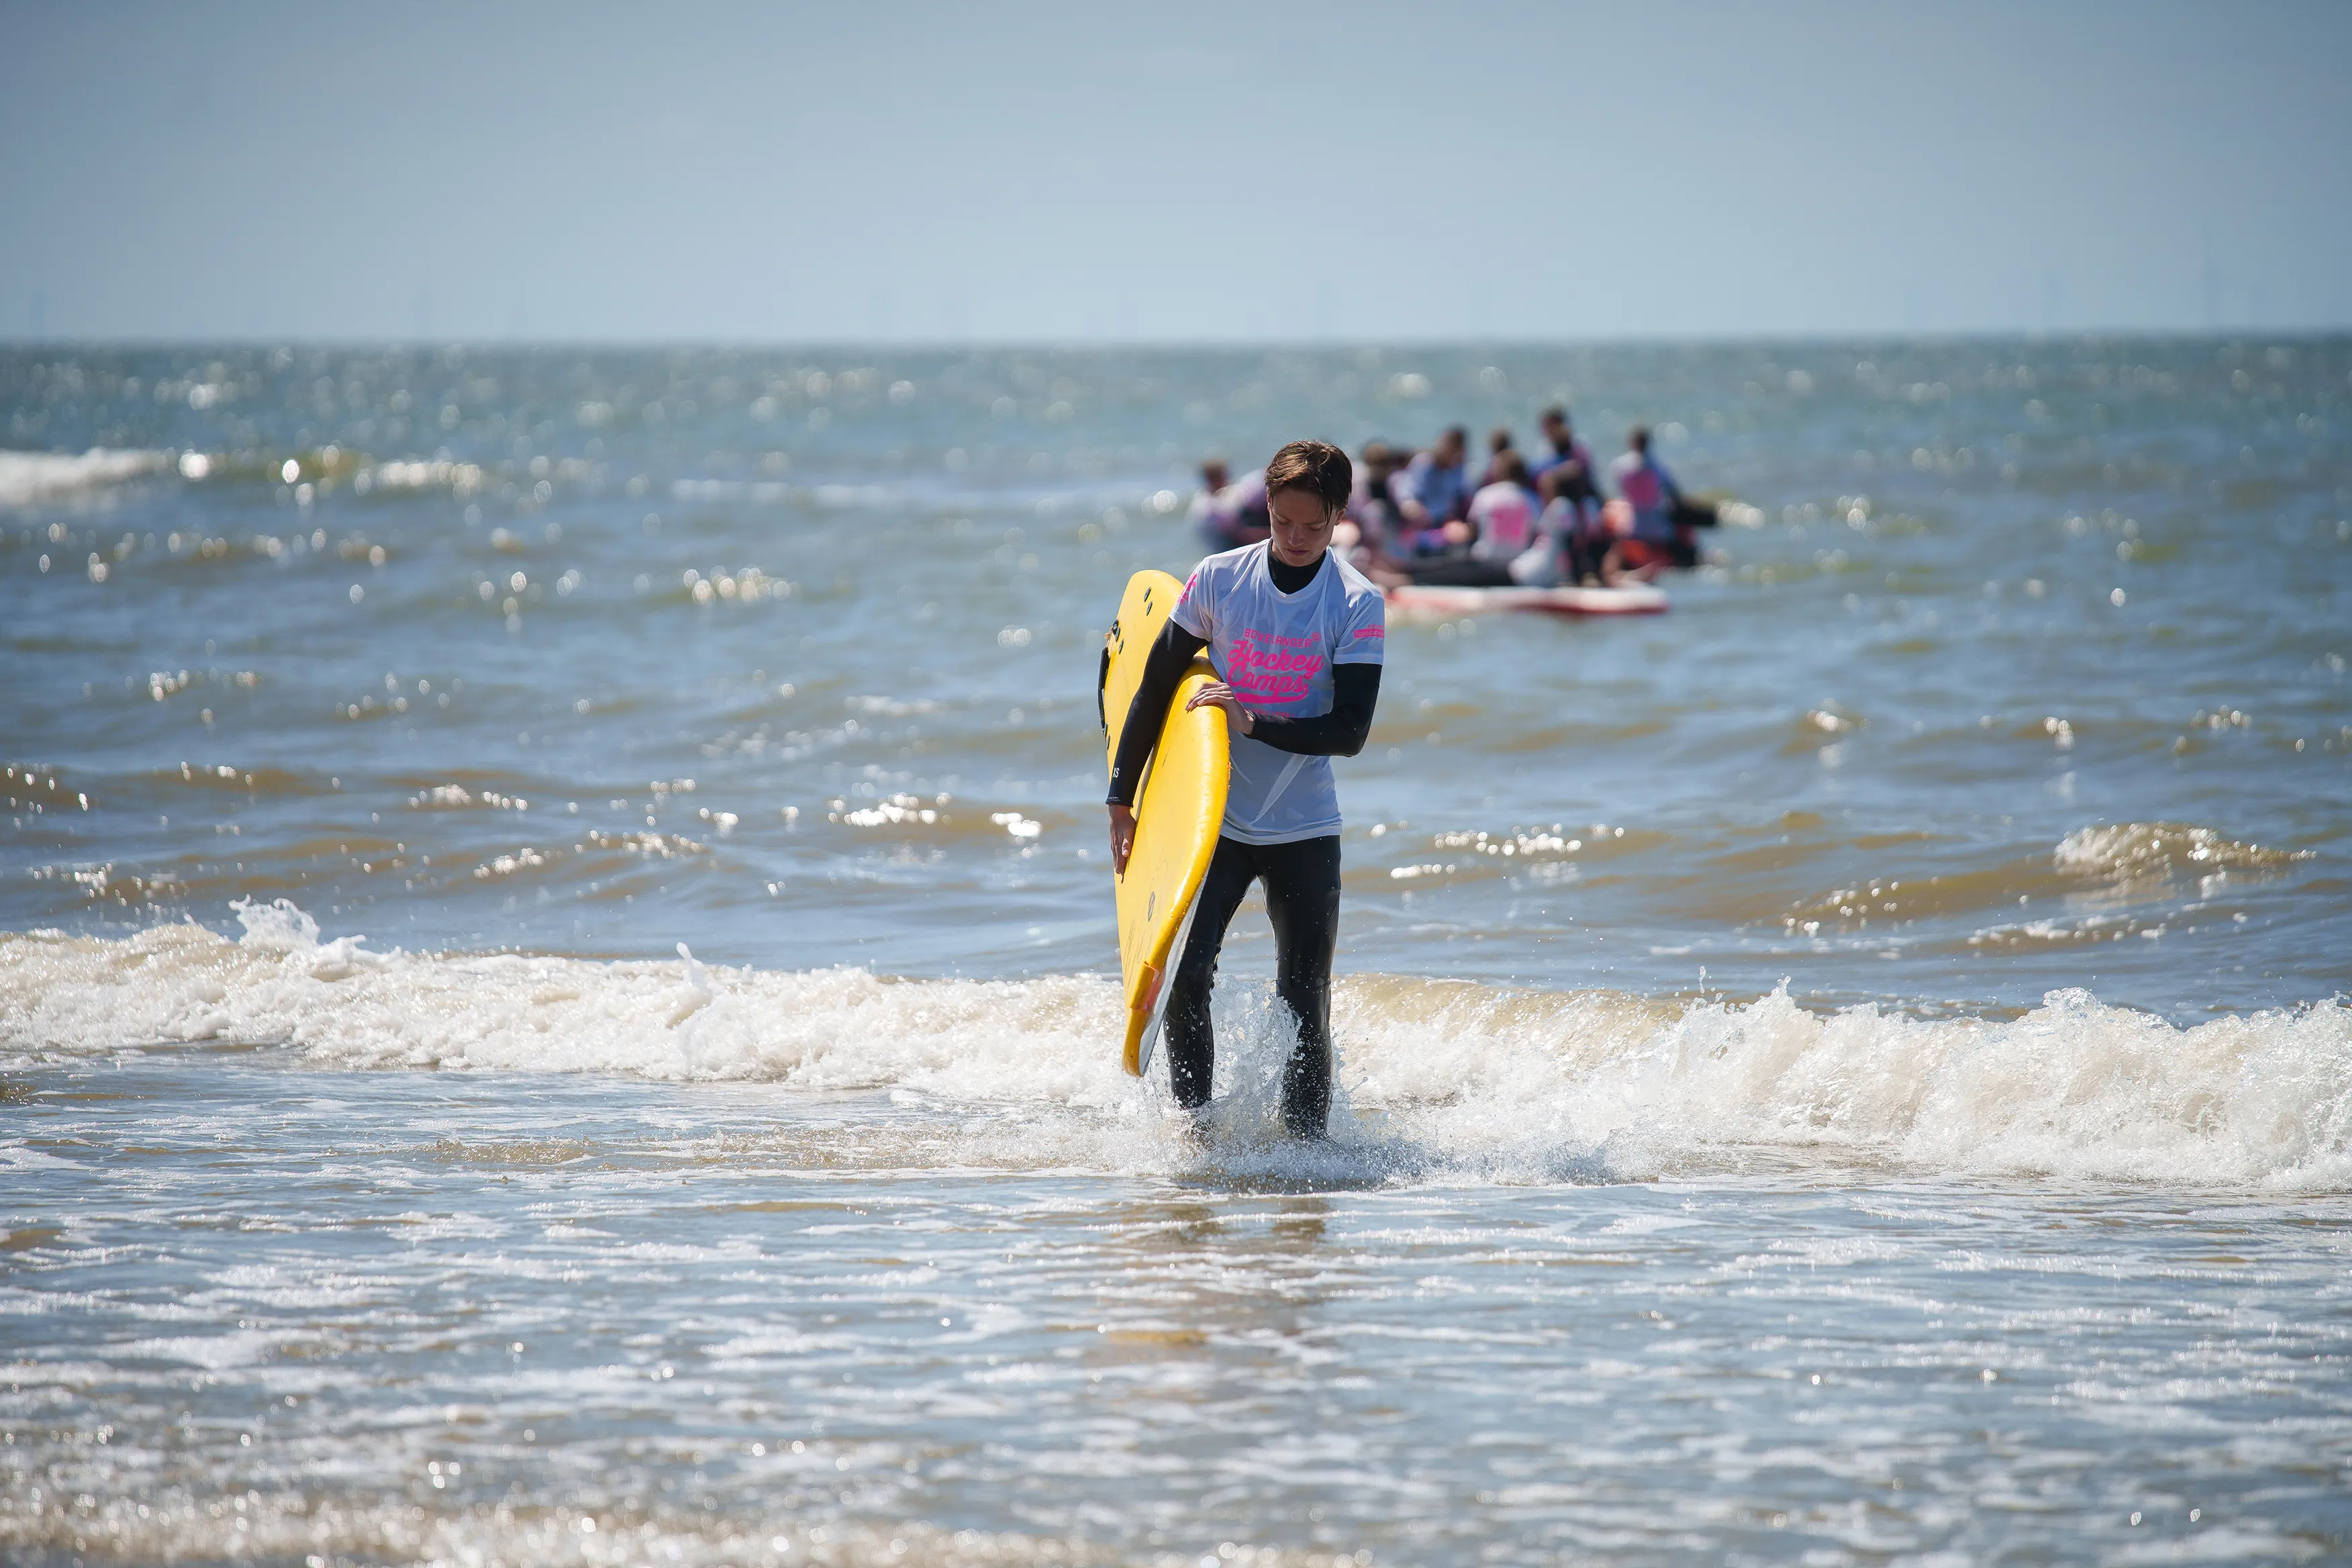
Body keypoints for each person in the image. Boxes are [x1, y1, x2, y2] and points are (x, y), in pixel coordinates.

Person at [1107, 439, 1384, 1140]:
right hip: (1215, 822)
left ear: (1339, 517)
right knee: (1187, 976)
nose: (1295, 539)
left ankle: (1306, 1155)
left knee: (1304, 998)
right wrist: (1122, 795)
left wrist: (1254, 720)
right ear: (1265, 506)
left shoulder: (1355, 601)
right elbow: (1155, 682)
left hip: (1304, 826)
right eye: (1282, 521)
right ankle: (1196, 1135)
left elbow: (1349, 730)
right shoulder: (1219, 578)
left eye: (1312, 527)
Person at [1395, 426, 1470, 532]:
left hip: (1446, 522)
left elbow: (1462, 495)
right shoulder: (1424, 463)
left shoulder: (1458, 469)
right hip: (1422, 523)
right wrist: (1410, 504)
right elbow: (1407, 490)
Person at [1188, 459, 1270, 550]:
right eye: (1224, 475)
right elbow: (1240, 534)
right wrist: (1272, 535)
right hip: (1226, 545)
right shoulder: (1208, 507)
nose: (1227, 478)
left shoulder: (1202, 500)